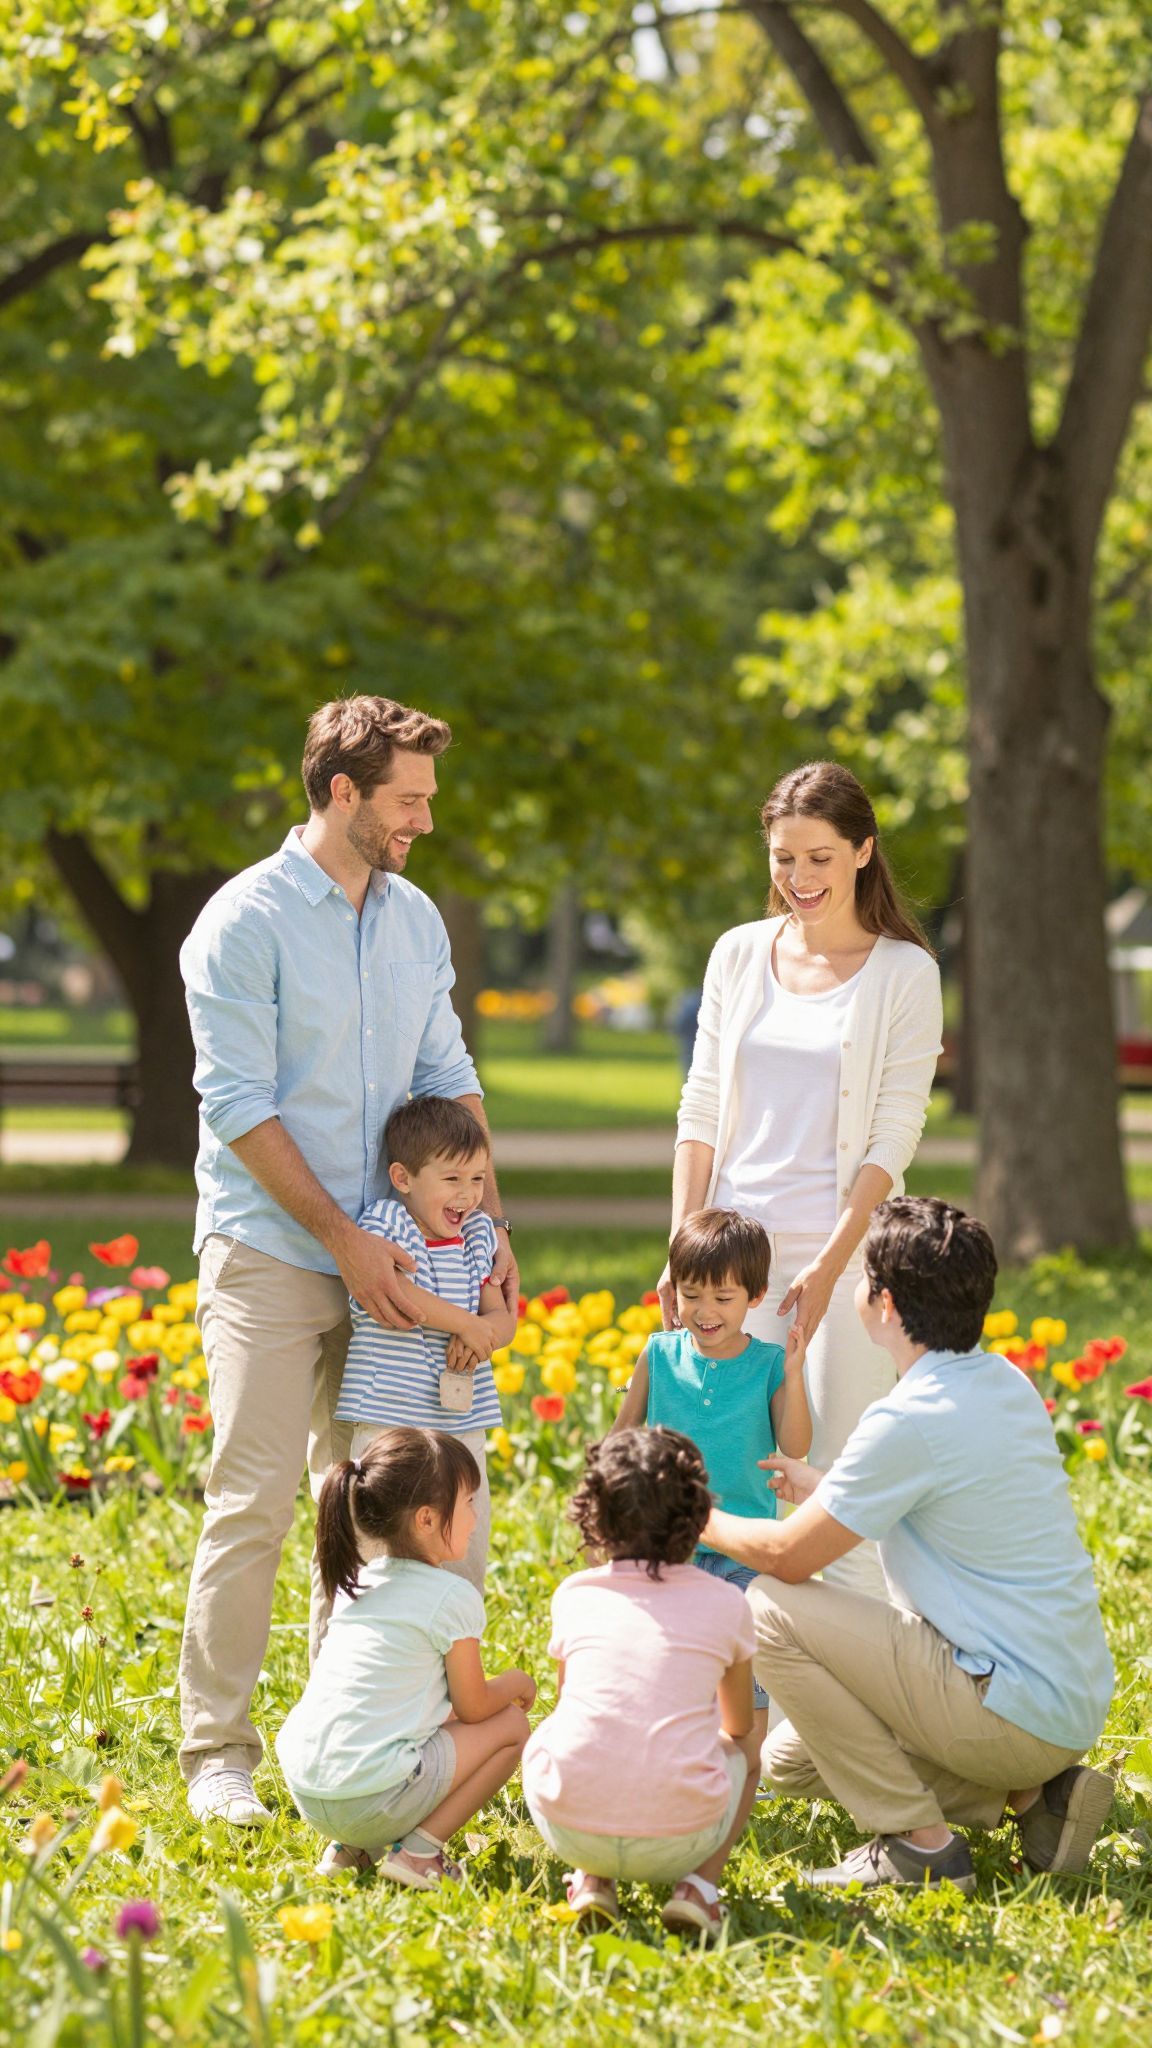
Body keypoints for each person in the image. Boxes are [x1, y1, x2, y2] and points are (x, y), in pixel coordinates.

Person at [178, 695, 518, 1827]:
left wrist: (490, 1230)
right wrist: (344, 1240)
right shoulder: (244, 921)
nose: (425, 819)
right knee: (256, 1498)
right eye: (407, 799)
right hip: (274, 1249)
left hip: (408, 1268)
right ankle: (218, 1752)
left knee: (385, 1503)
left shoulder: (416, 918)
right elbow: (238, 1103)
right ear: (342, 792)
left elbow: (448, 1074)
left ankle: (356, 1737)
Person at [702, 1197, 1115, 1894]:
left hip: (1003, 1704)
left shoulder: (907, 1420)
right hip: (1065, 1701)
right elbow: (944, 1489)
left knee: (764, 1606)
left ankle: (920, 1846)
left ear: (885, 1303)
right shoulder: (1003, 1382)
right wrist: (827, 1486)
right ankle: (1034, 1798)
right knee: (792, 1759)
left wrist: (690, 1514)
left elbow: (784, 1558)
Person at [665, 760, 943, 1599]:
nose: (800, 877)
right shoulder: (738, 954)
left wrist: (829, 1265)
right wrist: (683, 1248)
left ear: (863, 850)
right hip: (732, 1258)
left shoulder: (905, 973)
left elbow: (893, 1134)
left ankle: (846, 1673)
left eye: (820, 857)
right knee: (732, 1471)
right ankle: (743, 1669)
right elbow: (700, 1106)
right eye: (784, 858)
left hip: (845, 1260)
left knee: (833, 1480)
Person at [521, 1428, 762, 1941]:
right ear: (698, 1515)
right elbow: (739, 1726)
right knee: (748, 1752)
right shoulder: (727, 1602)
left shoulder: (575, 1594)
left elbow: (568, 1705)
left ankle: (592, 1879)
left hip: (572, 1829)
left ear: (594, 1517)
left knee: (566, 1731)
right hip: (684, 1838)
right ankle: (699, 1889)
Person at [276, 1427, 535, 1885]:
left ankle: (350, 1849)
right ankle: (419, 1853)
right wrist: (516, 1680)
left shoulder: (360, 1581)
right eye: (468, 1502)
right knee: (512, 1727)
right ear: (427, 1520)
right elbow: (474, 1707)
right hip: (369, 1797)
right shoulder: (450, 1595)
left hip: (309, 1789)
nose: (475, 1517)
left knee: (402, 1726)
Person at [611, 1206, 810, 1735]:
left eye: (723, 1298)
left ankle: (747, 1768)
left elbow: (795, 1446)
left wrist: (794, 1376)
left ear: (755, 1296)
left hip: (746, 1550)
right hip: (669, 1547)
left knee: (747, 1675)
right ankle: (680, 1755)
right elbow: (620, 1437)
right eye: (691, 1294)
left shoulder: (768, 1364)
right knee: (672, 1666)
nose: (704, 1311)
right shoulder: (659, 1354)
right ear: (672, 1290)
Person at [333, 1096, 516, 1591]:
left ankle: (455, 1636)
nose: (468, 1195)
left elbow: (500, 1317)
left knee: (463, 1548)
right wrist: (467, 1324)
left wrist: (483, 1337)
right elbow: (397, 1291)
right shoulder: (387, 1223)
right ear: (403, 1177)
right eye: (452, 1179)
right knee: (382, 1554)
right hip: (390, 1423)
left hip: (462, 1424)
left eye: (477, 1179)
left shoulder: (478, 1234)